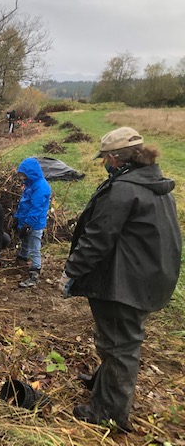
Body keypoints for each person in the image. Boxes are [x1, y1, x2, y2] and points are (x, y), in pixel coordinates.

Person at [58, 127, 181, 431]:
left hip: (126, 282)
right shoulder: (151, 180)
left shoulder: (124, 189)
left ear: (114, 157)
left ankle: (108, 413)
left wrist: (71, 270)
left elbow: (98, 238)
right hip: (148, 275)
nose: (105, 164)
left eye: (105, 159)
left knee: (118, 345)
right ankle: (105, 385)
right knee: (119, 338)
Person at [14, 157, 51, 288]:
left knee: (34, 246)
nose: (22, 177)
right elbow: (23, 204)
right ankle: (23, 257)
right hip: (26, 221)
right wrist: (17, 218)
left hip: (34, 224)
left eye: (23, 174)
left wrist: (28, 224)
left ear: (30, 172)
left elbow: (37, 209)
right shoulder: (30, 185)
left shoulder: (41, 187)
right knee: (24, 240)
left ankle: (35, 271)